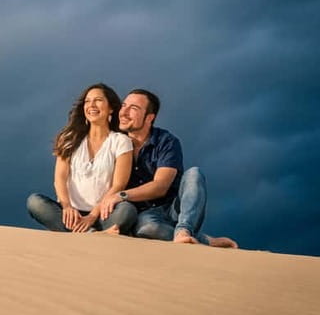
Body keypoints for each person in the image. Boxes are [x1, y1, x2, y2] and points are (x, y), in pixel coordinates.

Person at [100, 88, 237, 248]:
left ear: (149, 118)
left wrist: (121, 195)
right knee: (148, 229)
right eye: (124, 106)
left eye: (133, 109)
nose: (124, 112)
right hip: (145, 214)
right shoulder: (115, 142)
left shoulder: (166, 141)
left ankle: (184, 231)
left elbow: (160, 186)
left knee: (194, 173)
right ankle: (203, 240)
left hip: (173, 207)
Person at [27, 83, 138, 234]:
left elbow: (118, 185)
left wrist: (92, 216)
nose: (91, 105)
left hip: (103, 213)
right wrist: (66, 206)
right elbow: (60, 178)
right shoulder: (70, 139)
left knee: (127, 210)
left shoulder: (121, 141)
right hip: (71, 214)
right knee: (35, 202)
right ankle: (91, 234)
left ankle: (91, 231)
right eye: (87, 101)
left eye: (98, 100)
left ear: (111, 108)